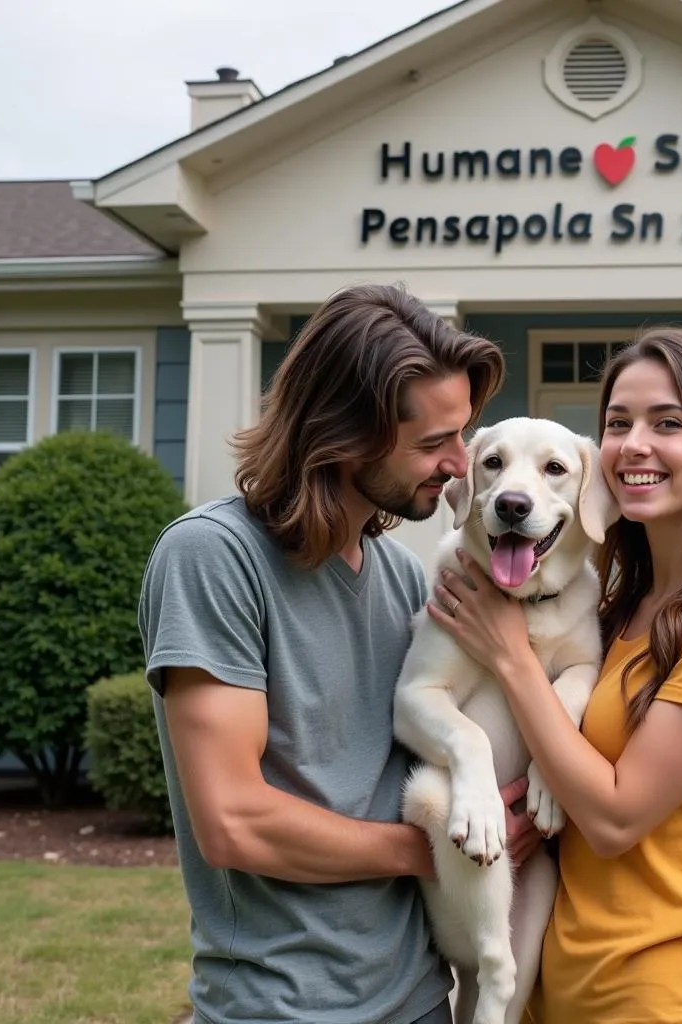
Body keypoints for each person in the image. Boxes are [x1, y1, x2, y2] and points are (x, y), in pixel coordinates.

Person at [138, 283, 539, 1024]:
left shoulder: (399, 576)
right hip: (283, 1006)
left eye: (463, 435)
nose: (460, 463)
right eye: (432, 443)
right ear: (342, 435)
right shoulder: (212, 557)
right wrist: (430, 852)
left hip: (420, 998)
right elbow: (233, 822)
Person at [427, 326, 682, 1023]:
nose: (635, 443)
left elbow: (612, 818)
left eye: (668, 423)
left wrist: (511, 655)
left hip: (659, 996)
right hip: (560, 984)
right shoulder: (623, 607)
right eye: (618, 422)